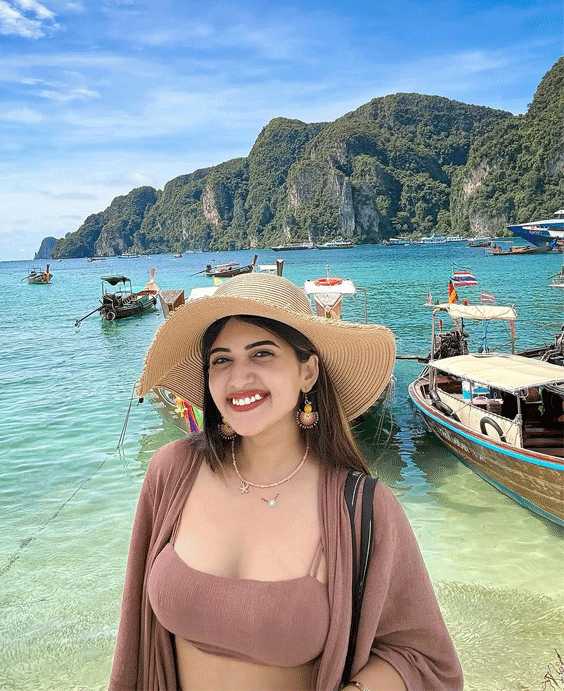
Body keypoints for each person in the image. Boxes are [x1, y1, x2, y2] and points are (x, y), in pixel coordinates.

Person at [108, 273, 463, 691]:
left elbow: (422, 659)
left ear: (307, 371)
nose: (238, 378)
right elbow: (133, 631)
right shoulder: (172, 472)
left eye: (262, 353)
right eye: (221, 360)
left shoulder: (360, 507)